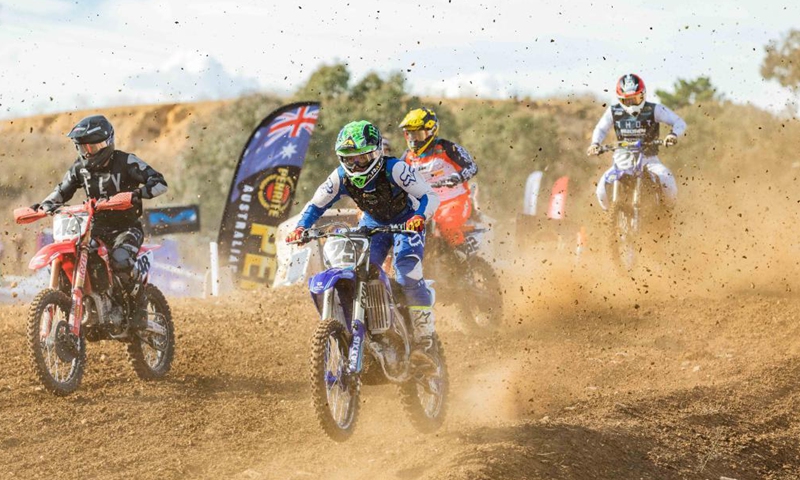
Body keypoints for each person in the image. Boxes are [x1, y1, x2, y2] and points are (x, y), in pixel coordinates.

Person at [286, 120, 440, 361]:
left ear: (376, 153)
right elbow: (316, 204)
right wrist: (301, 227)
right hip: (373, 223)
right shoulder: (340, 177)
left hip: (406, 221)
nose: (356, 165)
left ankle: (425, 338)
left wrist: (420, 216)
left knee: (406, 271)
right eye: (350, 159)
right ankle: (370, 329)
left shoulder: (395, 169)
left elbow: (428, 195)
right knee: (358, 271)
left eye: (362, 158)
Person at [32, 114, 168, 327]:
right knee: (71, 256)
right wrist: (44, 205)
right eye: (82, 147)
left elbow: (159, 182)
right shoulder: (80, 168)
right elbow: (62, 191)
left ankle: (139, 310)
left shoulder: (126, 162)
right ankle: (81, 310)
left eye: (92, 147)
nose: (87, 152)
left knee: (120, 260)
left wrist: (137, 194)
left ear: (106, 143)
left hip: (126, 228)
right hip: (94, 229)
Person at [587, 73, 687, 214]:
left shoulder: (654, 109)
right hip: (621, 161)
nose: (632, 104)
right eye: (628, 100)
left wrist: (673, 135)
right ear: (620, 99)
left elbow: (679, 122)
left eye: (636, 98)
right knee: (601, 189)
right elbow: (601, 128)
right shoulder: (613, 111)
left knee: (667, 181)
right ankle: (610, 217)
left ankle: (667, 214)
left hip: (649, 160)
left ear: (643, 95)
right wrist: (595, 143)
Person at [399, 107, 478, 257]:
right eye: (410, 134)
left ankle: (465, 260)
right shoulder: (408, 156)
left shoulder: (447, 148)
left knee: (447, 225)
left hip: (454, 201)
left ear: (431, 131)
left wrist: (457, 177)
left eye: (418, 134)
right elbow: (395, 177)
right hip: (424, 205)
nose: (414, 140)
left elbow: (472, 167)